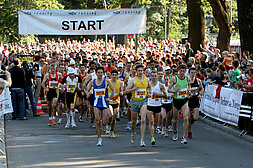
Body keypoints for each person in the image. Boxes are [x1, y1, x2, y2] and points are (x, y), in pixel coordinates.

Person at [86, 66, 115, 146]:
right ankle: (99, 139)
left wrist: (110, 98)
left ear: (103, 73)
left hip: (105, 103)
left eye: (101, 73)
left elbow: (113, 90)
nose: (100, 74)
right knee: (98, 121)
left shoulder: (107, 81)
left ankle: (106, 126)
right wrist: (88, 94)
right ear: (96, 73)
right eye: (98, 72)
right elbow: (87, 90)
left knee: (104, 123)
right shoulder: (93, 81)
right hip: (96, 104)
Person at [124, 64, 150, 147]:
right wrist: (133, 89)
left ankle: (142, 139)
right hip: (134, 102)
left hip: (143, 101)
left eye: (141, 71)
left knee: (143, 120)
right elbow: (126, 90)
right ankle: (132, 133)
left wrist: (148, 93)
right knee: (134, 121)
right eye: (138, 71)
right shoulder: (133, 80)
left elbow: (149, 88)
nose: (140, 72)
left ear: (143, 71)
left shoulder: (146, 79)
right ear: (136, 71)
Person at [168, 64, 191, 144]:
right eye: (180, 71)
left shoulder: (187, 78)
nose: (182, 72)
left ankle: (184, 137)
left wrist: (189, 92)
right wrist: (175, 91)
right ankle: (175, 131)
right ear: (178, 71)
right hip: (176, 101)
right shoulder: (174, 79)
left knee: (186, 118)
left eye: (183, 71)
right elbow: (169, 90)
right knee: (175, 120)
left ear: (185, 71)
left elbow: (189, 86)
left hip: (184, 100)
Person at [146, 71, 166, 146]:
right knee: (151, 121)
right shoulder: (148, 85)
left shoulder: (160, 85)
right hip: (149, 104)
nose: (154, 77)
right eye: (153, 76)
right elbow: (144, 92)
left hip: (157, 105)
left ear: (157, 76)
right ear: (150, 77)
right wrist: (147, 95)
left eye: (155, 76)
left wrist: (157, 95)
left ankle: (155, 129)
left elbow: (165, 95)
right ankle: (152, 138)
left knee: (156, 122)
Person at [107, 69, 124, 138]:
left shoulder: (120, 82)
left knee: (114, 118)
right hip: (109, 101)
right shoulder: (108, 82)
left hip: (116, 101)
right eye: (113, 75)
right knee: (110, 115)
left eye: (115, 75)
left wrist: (121, 92)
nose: (114, 76)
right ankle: (108, 124)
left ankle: (112, 130)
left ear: (117, 75)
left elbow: (122, 90)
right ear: (110, 76)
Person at [188, 67, 204, 139]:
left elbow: (202, 88)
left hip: (195, 100)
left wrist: (200, 94)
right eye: (192, 72)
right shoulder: (187, 81)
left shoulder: (198, 81)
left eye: (194, 72)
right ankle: (189, 131)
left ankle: (190, 123)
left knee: (195, 117)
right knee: (187, 118)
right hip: (188, 101)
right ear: (189, 73)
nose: (193, 74)